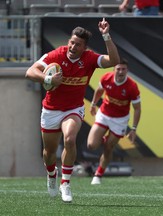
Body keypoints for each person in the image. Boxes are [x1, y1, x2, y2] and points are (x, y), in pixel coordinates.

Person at [25, 19, 120, 202]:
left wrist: (106, 36)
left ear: (84, 48)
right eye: (71, 42)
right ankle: (52, 174)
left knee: (70, 138)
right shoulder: (56, 55)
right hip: (51, 109)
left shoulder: (89, 58)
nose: (73, 46)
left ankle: (65, 183)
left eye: (78, 44)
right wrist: (48, 79)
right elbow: (30, 72)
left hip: (73, 109)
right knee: (49, 152)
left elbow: (114, 61)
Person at [87, 58, 141, 185]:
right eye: (118, 69)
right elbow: (99, 90)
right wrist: (94, 104)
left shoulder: (132, 87)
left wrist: (133, 129)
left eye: (123, 69)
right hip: (104, 115)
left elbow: (137, 109)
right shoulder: (106, 78)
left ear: (127, 70)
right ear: (114, 69)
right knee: (91, 145)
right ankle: (105, 139)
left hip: (120, 120)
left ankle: (98, 175)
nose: (121, 71)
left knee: (108, 148)